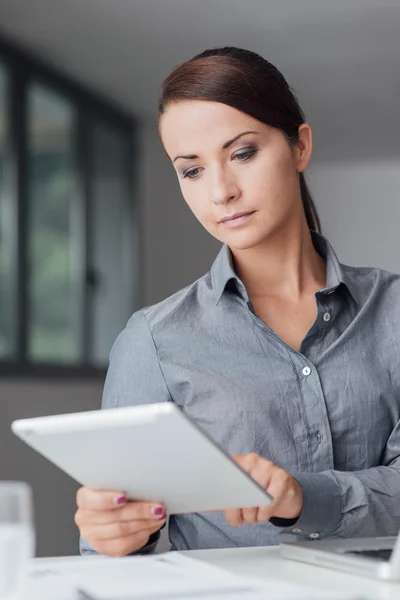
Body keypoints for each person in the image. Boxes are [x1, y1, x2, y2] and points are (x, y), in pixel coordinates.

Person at [75, 46, 400, 558]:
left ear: (300, 146)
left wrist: (302, 496)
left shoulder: (394, 313)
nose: (221, 191)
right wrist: (113, 535)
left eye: (242, 153)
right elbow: (111, 554)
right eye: (192, 170)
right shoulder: (154, 342)